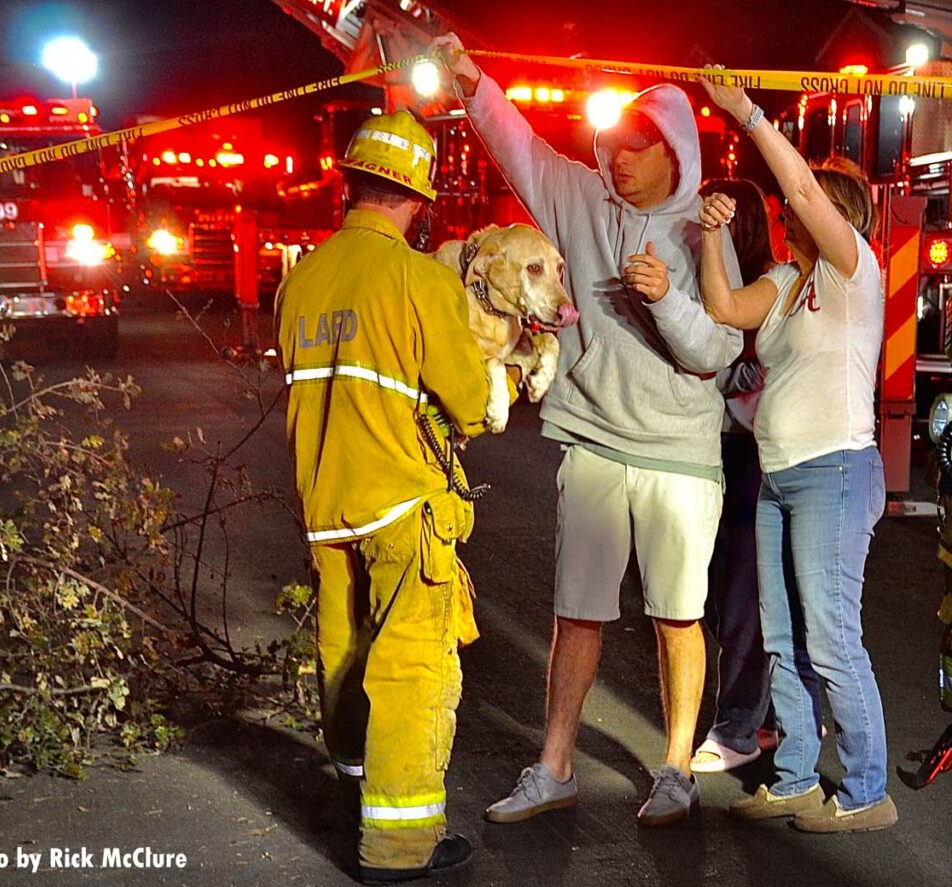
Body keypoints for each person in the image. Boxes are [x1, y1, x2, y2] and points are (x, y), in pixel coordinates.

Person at [431, 33, 744, 828]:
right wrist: (472, 78)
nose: (619, 161)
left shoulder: (702, 231)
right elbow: (518, 146)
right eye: (612, 148)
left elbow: (716, 352)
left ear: (674, 152)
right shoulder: (579, 198)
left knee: (678, 613)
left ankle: (675, 768)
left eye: (636, 149)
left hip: (678, 453)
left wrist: (669, 297)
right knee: (578, 610)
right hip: (595, 440)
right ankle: (555, 765)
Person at [276, 110, 503, 881]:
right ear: (418, 198)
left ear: (352, 183)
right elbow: (469, 403)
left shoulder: (302, 277)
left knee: (341, 653)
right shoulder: (418, 278)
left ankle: (356, 793)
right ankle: (400, 846)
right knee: (411, 665)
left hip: (325, 503)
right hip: (403, 505)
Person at [698, 72, 898, 832]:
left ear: (835, 211)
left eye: (801, 202)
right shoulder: (786, 279)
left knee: (830, 636)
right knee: (781, 637)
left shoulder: (854, 270)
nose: (787, 211)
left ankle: (865, 790)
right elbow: (723, 307)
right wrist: (711, 232)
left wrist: (747, 113)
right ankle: (792, 777)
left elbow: (806, 194)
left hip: (835, 473)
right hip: (780, 477)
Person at [690, 178, 777, 774]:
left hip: (754, 452)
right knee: (711, 589)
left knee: (744, 587)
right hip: (704, 445)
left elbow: (764, 367)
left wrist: (732, 374)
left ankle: (740, 725)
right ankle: (770, 716)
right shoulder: (698, 273)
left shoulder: (770, 281)